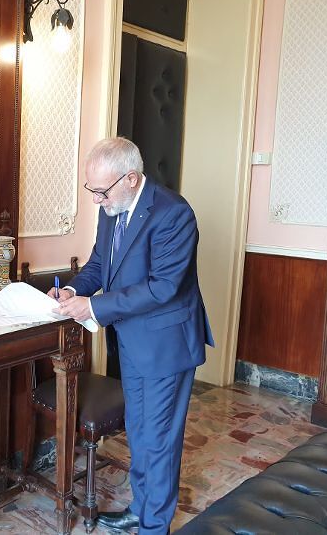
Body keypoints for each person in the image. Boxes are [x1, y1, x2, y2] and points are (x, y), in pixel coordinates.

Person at [50, 137, 214, 534]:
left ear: (131, 179)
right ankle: (141, 509)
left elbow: (163, 287)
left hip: (166, 346)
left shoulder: (174, 213)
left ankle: (154, 527)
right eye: (92, 190)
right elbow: (99, 264)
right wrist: (73, 289)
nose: (96, 199)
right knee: (140, 433)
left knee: (159, 441)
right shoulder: (112, 207)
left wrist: (94, 308)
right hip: (132, 342)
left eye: (101, 191)